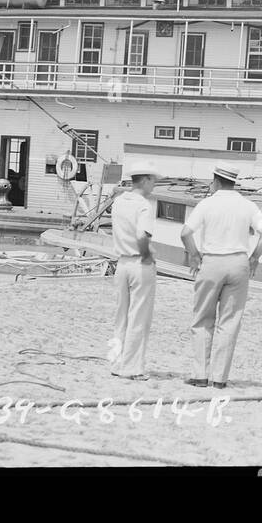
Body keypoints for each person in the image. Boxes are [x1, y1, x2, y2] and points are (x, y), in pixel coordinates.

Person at [179, 165, 262, 389]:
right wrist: (254, 257)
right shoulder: (247, 205)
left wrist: (194, 255)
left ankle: (200, 375)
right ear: (233, 182)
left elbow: (185, 233)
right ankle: (220, 379)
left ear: (216, 181)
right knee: (230, 322)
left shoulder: (207, 203)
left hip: (212, 261)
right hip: (239, 263)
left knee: (203, 319)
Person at [108, 161, 159, 381]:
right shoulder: (144, 205)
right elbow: (142, 235)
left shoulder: (119, 201)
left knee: (121, 315)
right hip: (139, 263)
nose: (154, 185)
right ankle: (132, 368)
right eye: (153, 180)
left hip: (122, 262)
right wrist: (147, 255)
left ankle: (117, 361)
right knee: (139, 316)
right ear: (145, 179)